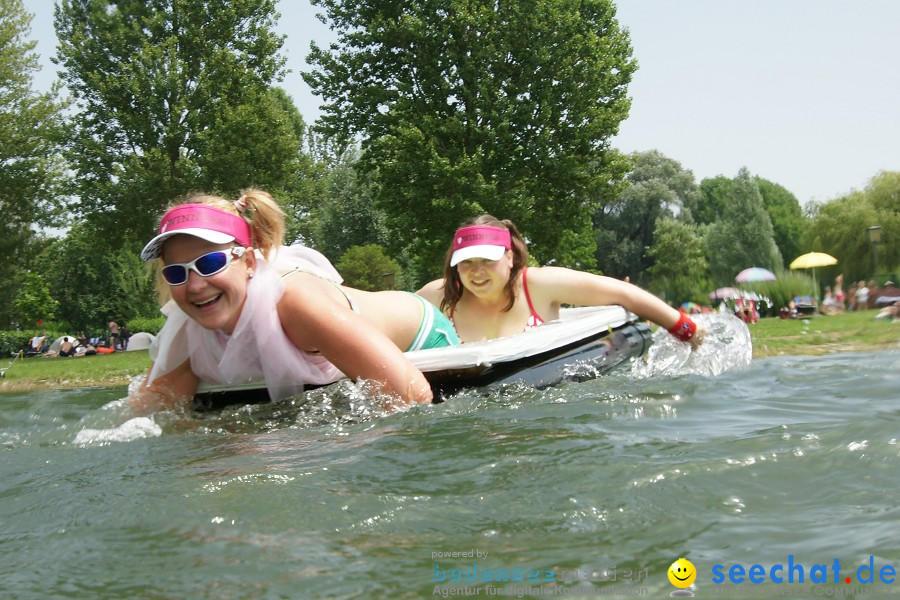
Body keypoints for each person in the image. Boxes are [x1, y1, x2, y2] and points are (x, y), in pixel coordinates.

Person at [129, 188, 459, 415]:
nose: (196, 285)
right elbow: (153, 412)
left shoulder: (295, 303)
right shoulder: (191, 327)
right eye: (176, 273)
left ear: (246, 262)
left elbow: (411, 396)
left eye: (210, 263)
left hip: (421, 338)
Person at [417, 216, 703, 347]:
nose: (476, 271)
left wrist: (686, 329)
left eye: (487, 261)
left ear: (510, 258)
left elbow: (624, 293)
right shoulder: (439, 296)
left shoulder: (540, 285)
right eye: (466, 262)